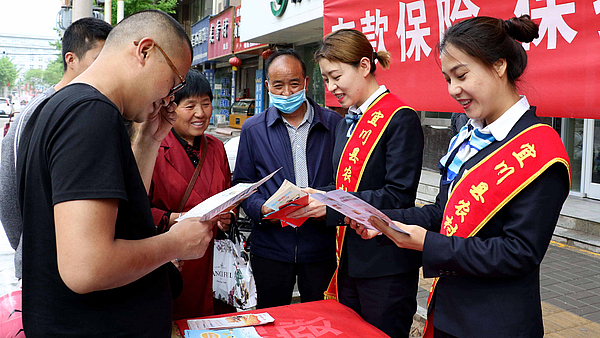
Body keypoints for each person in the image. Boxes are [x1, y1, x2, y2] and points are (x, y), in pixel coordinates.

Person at [350, 16, 570, 338]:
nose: (454, 90)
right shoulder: (468, 135)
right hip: (448, 311)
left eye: (461, 75)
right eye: (447, 78)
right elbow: (443, 213)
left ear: (498, 66)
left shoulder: (539, 150)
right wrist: (383, 221)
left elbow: (518, 253)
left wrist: (428, 244)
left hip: (497, 324)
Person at [16, 10, 229, 337]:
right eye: (173, 82)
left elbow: (123, 217)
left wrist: (148, 141)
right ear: (144, 51)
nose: (168, 97)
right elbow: (87, 268)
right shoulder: (91, 114)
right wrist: (174, 243)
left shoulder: (67, 105)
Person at [289, 29, 424, 338]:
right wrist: (320, 195)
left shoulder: (400, 118)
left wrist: (330, 207)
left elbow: (398, 196)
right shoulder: (347, 122)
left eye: (336, 76)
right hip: (348, 260)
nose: (331, 87)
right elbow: (348, 186)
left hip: (385, 265)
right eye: (325, 79)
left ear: (364, 66)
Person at [0, 17, 113, 280]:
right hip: (43, 268)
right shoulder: (36, 112)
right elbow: (7, 190)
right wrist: (28, 246)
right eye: (99, 59)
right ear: (70, 59)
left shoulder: (104, 110)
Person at [232, 49, 342, 309]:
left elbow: (344, 179)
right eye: (278, 86)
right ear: (267, 86)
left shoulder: (333, 124)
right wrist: (261, 208)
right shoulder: (253, 129)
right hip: (270, 247)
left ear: (305, 82)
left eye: (294, 84)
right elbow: (243, 184)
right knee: (273, 316)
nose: (287, 93)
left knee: (322, 317)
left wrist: (322, 199)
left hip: (321, 245)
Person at [148, 69, 234, 319]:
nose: (201, 113)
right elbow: (140, 210)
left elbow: (228, 192)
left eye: (206, 104)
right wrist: (179, 218)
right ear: (172, 108)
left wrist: (228, 218)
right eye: (190, 106)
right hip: (173, 259)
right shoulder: (153, 147)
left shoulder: (217, 147)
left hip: (214, 263)